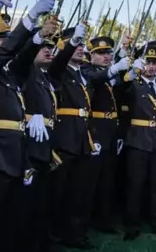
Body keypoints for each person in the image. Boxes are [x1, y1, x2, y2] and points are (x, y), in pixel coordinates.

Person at [0, 0, 55, 252]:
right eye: (1, 40)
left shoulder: (8, 74)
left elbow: (23, 57)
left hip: (14, 156)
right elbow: (4, 55)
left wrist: (37, 36)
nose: (8, 45)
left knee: (8, 223)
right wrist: (28, 20)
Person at [11, 17, 62, 252]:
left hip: (44, 145)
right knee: (25, 202)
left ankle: (38, 241)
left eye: (51, 48)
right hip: (27, 145)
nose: (48, 51)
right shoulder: (24, 70)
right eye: (43, 47)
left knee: (41, 199)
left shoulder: (43, 76)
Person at [46, 23, 97, 249]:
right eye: (73, 44)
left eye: (80, 44)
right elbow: (57, 62)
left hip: (83, 139)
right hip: (64, 138)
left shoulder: (83, 73)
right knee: (57, 192)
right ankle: (52, 236)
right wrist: (71, 42)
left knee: (79, 192)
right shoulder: (57, 69)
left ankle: (74, 233)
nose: (79, 48)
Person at [121, 44, 156, 240]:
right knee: (135, 185)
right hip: (138, 139)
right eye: (148, 62)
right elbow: (123, 88)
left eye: (154, 63)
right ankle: (132, 225)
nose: (151, 67)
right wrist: (131, 70)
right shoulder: (133, 83)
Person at [81, 36, 130, 234]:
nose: (106, 56)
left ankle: (104, 219)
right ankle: (84, 222)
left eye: (108, 53)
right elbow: (95, 80)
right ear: (91, 56)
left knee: (107, 180)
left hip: (111, 129)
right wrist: (115, 69)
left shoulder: (112, 75)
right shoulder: (87, 71)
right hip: (95, 129)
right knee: (89, 181)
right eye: (101, 53)